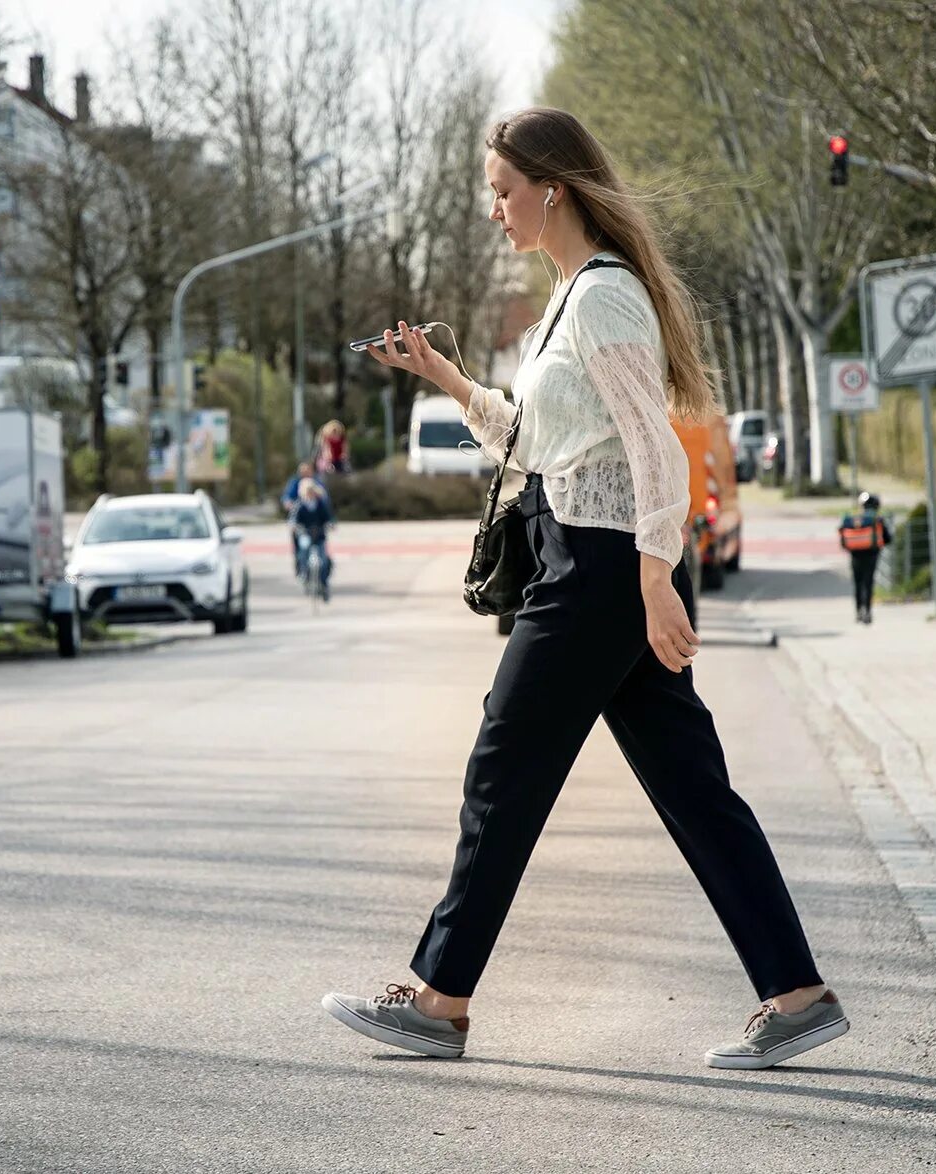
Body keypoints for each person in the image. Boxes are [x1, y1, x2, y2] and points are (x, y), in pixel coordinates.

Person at [321, 107, 846, 1070]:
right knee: (692, 785)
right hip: (590, 556)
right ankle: (797, 993)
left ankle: (439, 1000)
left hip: (602, 570)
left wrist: (655, 582)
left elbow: (656, 449)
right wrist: (440, 373)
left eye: (503, 192)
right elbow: (533, 439)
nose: (495, 211)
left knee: (503, 764)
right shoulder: (571, 295)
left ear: (551, 187)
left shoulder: (602, 298)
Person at [838, 492, 891, 624]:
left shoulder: (854, 519)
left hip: (855, 555)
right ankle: (867, 611)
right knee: (868, 583)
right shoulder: (877, 520)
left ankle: (858, 612)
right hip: (872, 555)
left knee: (857, 583)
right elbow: (888, 539)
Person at [288, 476, 333, 601]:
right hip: (305, 535)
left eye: (311, 491)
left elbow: (328, 518)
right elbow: (293, 520)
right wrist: (294, 526)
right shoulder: (300, 505)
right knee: (304, 551)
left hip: (319, 535)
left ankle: (323, 583)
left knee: (323, 560)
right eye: (307, 491)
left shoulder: (320, 504)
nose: (309, 494)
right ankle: (304, 574)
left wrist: (330, 524)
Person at [280, 462, 324, 574]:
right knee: (300, 546)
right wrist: (288, 503)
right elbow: (287, 497)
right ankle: (301, 567)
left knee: (322, 550)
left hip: (316, 526)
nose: (305, 473)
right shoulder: (295, 483)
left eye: (307, 470)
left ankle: (323, 578)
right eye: (303, 471)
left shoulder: (316, 483)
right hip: (301, 523)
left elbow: (324, 498)